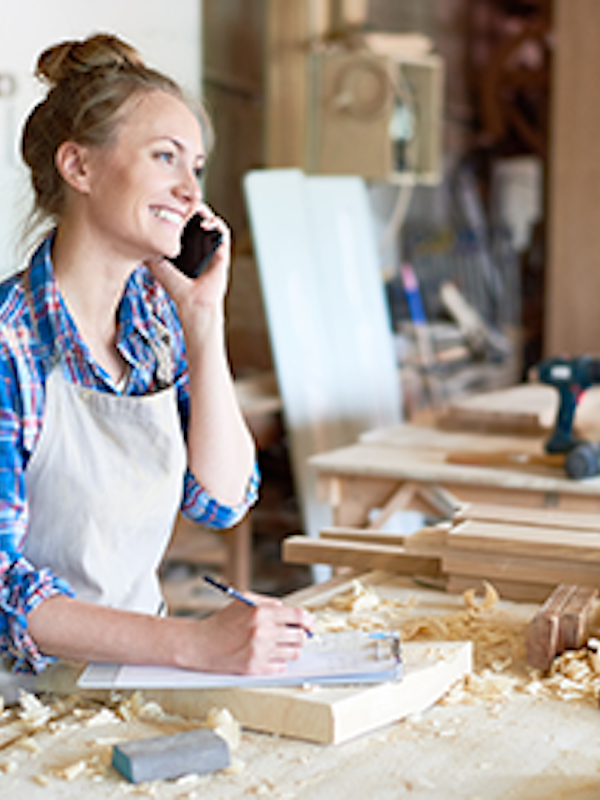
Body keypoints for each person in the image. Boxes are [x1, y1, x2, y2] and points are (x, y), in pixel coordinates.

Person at [0, 33, 313, 683]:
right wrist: (192, 644)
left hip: (134, 676)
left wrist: (204, 324)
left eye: (195, 167)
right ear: (79, 168)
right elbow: (3, 592)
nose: (189, 191)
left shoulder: (155, 326)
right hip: (19, 703)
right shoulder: (11, 346)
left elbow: (222, 502)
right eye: (165, 157)